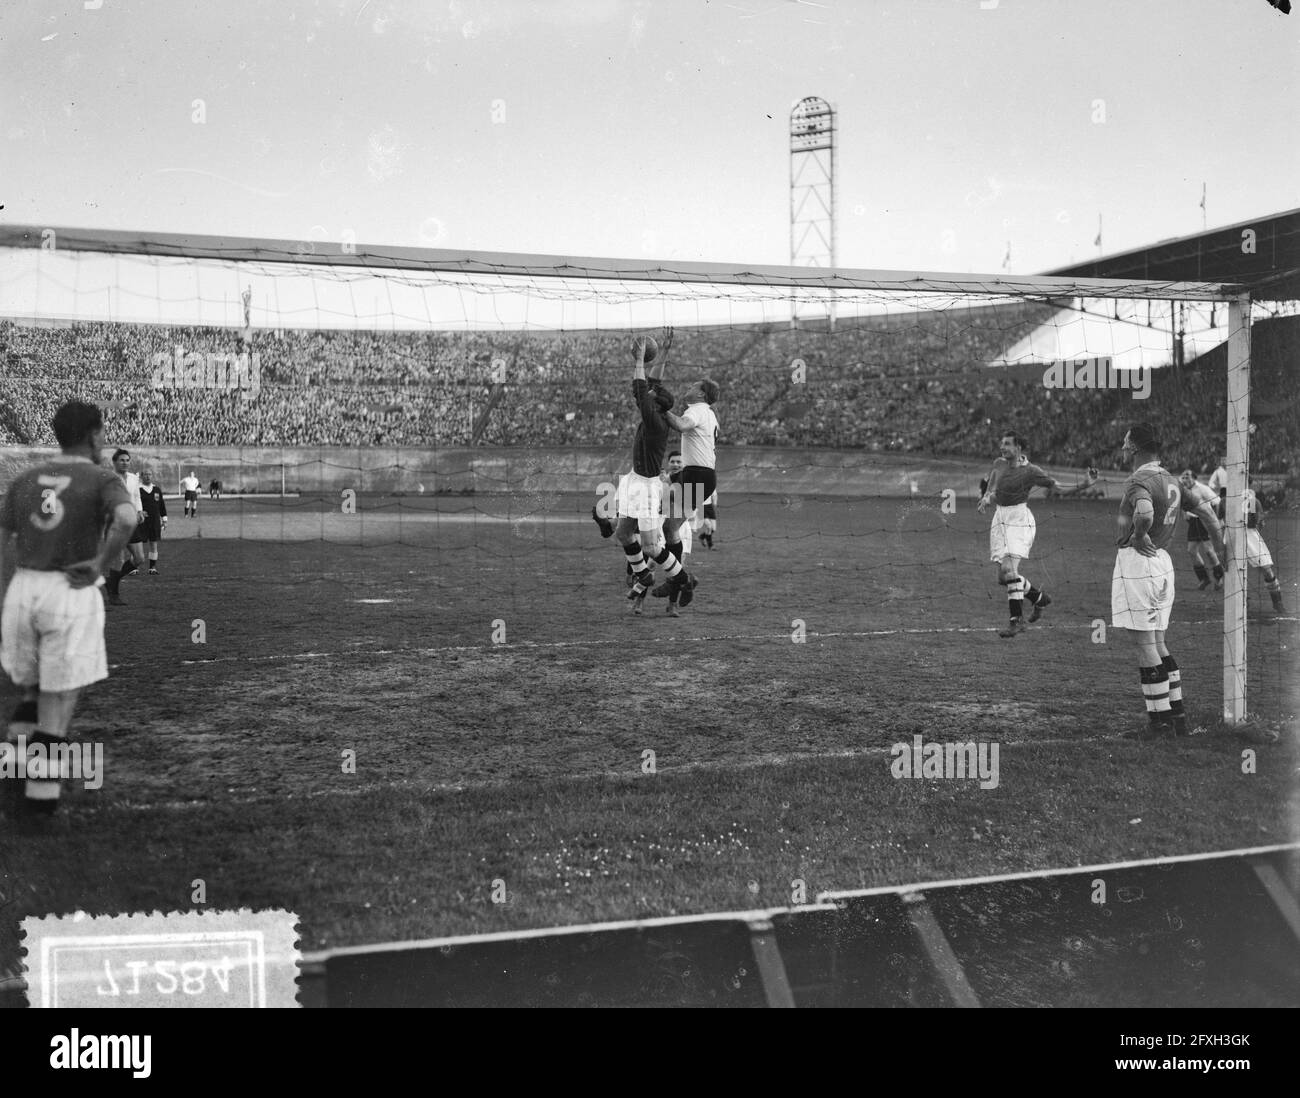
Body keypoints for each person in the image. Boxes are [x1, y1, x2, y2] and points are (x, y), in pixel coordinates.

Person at [0, 400, 137, 814]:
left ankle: (13, 780)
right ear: (94, 435)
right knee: (57, 702)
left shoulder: (24, 478)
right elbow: (127, 519)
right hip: (68, 589)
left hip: (23, 589)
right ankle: (40, 802)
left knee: (31, 691)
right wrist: (99, 562)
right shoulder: (101, 476)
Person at [1112, 423, 1225, 740]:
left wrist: (1138, 533)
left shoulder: (1138, 479)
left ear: (1134, 448)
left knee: (1145, 644)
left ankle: (1158, 725)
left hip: (1139, 562)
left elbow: (1144, 513)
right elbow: (1209, 516)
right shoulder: (1172, 479)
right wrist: (1222, 550)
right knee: (1159, 643)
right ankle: (1177, 719)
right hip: (1164, 564)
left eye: (1125, 443)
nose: (1122, 448)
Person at [976, 433, 1092, 637]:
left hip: (1019, 520)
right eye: (1001, 443)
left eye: (1007, 444)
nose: (1002, 447)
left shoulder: (1032, 471)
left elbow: (1058, 488)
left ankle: (1016, 621)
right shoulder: (999, 464)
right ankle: (1039, 598)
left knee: (1009, 571)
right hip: (1000, 519)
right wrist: (986, 498)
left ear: (1018, 447)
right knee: (1003, 578)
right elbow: (992, 487)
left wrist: (1084, 484)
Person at [614, 332, 693, 616]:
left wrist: (638, 358)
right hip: (633, 479)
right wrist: (665, 351)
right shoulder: (656, 408)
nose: (648, 392)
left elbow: (639, 385)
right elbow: (652, 383)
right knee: (623, 532)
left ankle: (683, 579)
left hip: (646, 486)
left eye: (651, 394)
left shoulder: (654, 421)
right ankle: (644, 576)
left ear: (656, 405)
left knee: (649, 545)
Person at [656, 377, 720, 608]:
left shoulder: (699, 410)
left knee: (669, 527)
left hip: (697, 475)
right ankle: (679, 579)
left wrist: (661, 409)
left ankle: (679, 580)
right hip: (693, 473)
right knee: (668, 526)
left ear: (702, 394)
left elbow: (682, 425)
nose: (689, 387)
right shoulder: (708, 413)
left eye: (694, 386)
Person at [105, 448, 145, 606]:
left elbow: (136, 496)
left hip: (132, 522)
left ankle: (111, 581)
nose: (125, 463)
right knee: (117, 561)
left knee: (140, 558)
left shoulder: (134, 478)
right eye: (122, 460)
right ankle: (114, 595)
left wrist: (140, 511)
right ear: (114, 462)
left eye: (127, 460)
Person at [1243, 478, 1287, 614]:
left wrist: (1258, 520)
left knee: (1266, 568)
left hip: (1250, 535)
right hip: (1231, 534)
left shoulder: (1253, 500)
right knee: (1233, 570)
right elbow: (1220, 517)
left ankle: (1277, 601)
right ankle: (1244, 601)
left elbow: (1259, 522)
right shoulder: (1226, 499)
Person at [1177, 470, 1225, 591]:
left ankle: (1219, 577)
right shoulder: (1183, 490)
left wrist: (1218, 519)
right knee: (1191, 550)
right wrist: (1184, 514)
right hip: (1193, 523)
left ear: (1194, 478)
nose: (1185, 480)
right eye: (1183, 478)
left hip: (1205, 520)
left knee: (1209, 551)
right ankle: (1204, 578)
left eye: (1187, 477)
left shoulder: (1202, 488)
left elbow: (1217, 501)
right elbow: (1182, 504)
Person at [138, 465, 168, 575]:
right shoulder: (138, 489)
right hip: (141, 521)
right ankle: (134, 567)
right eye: (145, 474)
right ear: (141, 476)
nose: (147, 476)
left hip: (155, 521)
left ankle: (152, 567)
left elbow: (162, 506)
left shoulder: (157, 489)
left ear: (152, 476)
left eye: (149, 474)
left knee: (153, 544)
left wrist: (164, 519)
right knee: (138, 544)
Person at [1207, 455, 1229, 520]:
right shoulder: (1217, 471)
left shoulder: (1233, 470)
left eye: (1225, 460)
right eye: (1222, 460)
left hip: (1233, 490)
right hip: (1223, 491)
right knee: (1223, 508)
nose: (1224, 461)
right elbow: (1210, 483)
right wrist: (1215, 487)